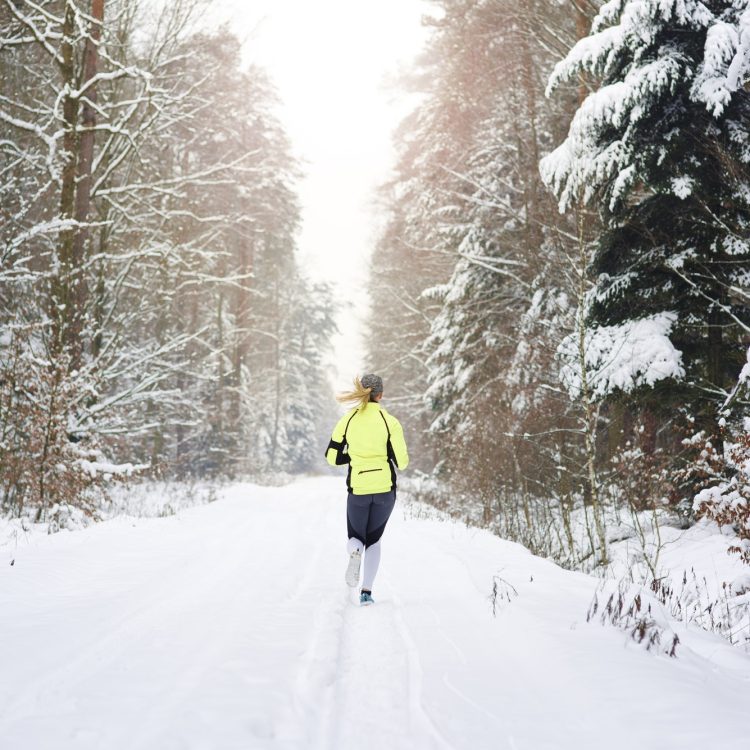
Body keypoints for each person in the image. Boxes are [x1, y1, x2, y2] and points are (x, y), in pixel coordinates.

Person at [325, 374, 409, 605]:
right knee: (374, 540)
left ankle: (355, 552)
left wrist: (352, 456)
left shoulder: (348, 420)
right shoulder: (389, 420)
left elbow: (331, 456)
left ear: (360, 392)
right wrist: (386, 454)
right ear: (380, 394)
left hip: (358, 488)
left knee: (356, 537)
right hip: (385, 489)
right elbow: (402, 462)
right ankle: (366, 593)